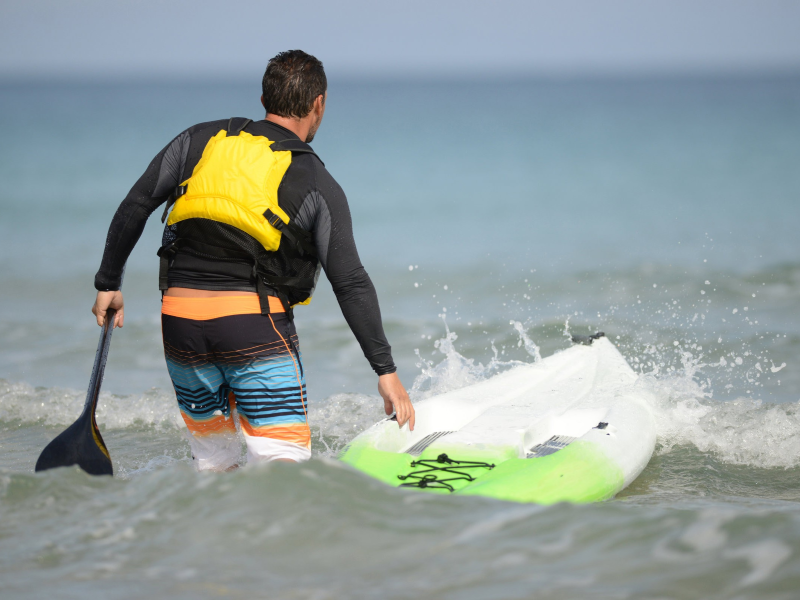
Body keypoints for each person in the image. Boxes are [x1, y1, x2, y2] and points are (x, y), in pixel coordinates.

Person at [91, 50, 415, 470]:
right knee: (284, 468)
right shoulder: (316, 180)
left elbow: (135, 204)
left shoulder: (198, 139)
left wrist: (108, 283)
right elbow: (349, 281)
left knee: (213, 465)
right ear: (319, 104)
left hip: (181, 324)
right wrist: (385, 370)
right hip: (252, 327)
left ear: (264, 99)